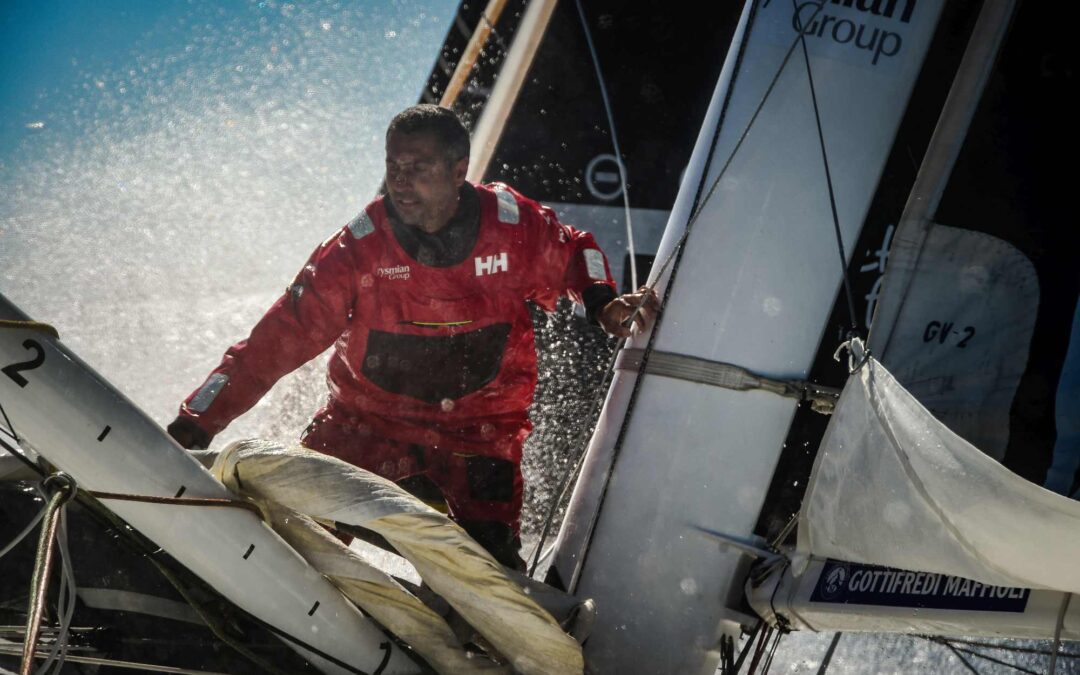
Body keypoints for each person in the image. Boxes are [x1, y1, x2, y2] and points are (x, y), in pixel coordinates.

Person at [167, 104, 658, 568]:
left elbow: (573, 250)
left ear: (458, 167)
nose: (400, 180)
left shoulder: (512, 226)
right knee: (294, 543)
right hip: (363, 427)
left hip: (478, 437)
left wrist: (600, 303)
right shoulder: (356, 250)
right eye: (393, 164)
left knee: (493, 571)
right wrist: (194, 426)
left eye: (419, 165)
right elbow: (272, 344)